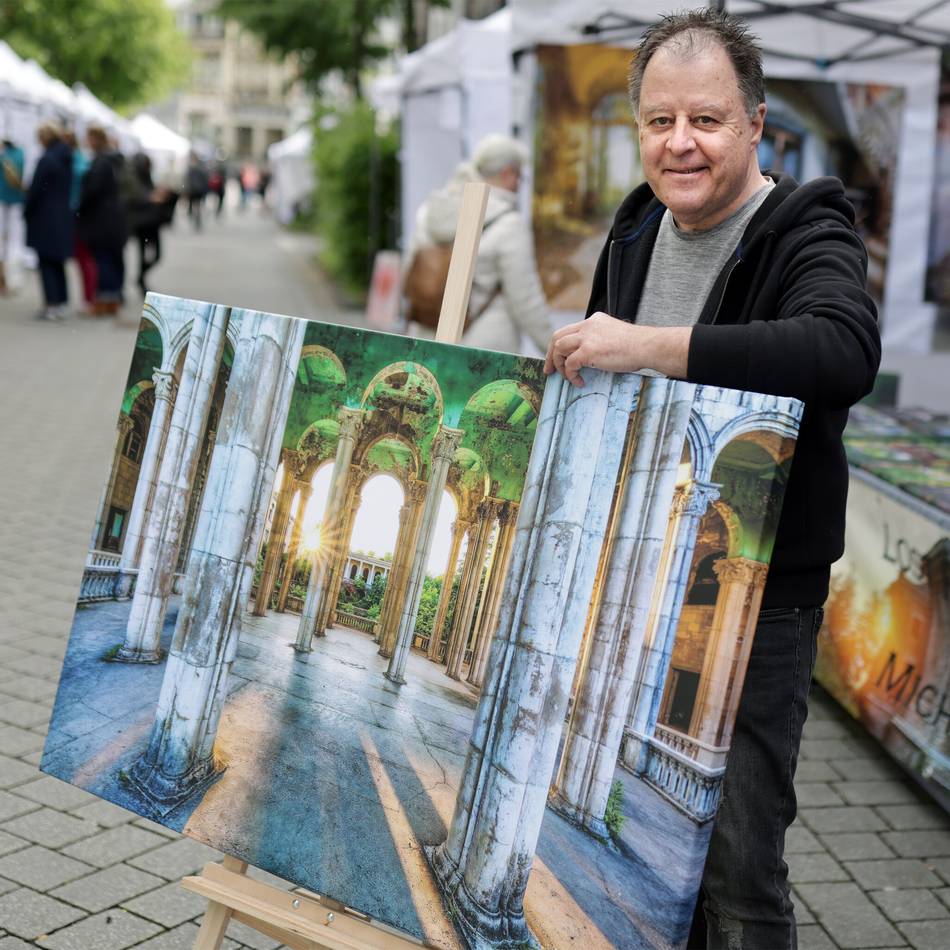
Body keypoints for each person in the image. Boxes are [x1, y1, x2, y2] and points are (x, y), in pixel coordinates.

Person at [544, 10, 880, 949]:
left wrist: (649, 347)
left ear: (757, 124)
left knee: (737, 875)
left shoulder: (807, 228)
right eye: (659, 121)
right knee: (635, 863)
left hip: (759, 601)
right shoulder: (636, 227)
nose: (679, 142)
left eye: (706, 120)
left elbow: (842, 349)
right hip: (630, 575)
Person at [404, 134, 551, 355]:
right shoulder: (508, 224)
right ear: (507, 173)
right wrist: (554, 349)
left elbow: (410, 269)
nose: (519, 185)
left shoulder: (431, 211)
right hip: (483, 351)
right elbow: (525, 299)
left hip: (427, 338)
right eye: (520, 177)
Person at [23, 123, 73, 320]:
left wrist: (27, 210)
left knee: (46, 263)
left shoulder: (47, 160)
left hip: (45, 217)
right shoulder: (65, 157)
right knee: (57, 262)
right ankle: (60, 302)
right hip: (61, 215)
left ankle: (51, 304)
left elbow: (35, 191)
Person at [77, 125, 128, 315]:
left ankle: (105, 301)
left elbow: (92, 191)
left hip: (102, 219)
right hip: (114, 217)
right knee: (112, 259)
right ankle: (113, 298)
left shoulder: (102, 162)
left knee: (103, 259)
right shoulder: (115, 160)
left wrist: (80, 207)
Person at [62, 129, 97, 312]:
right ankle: (89, 297)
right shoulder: (80, 160)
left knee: (84, 258)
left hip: (77, 215)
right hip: (78, 214)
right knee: (84, 259)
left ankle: (89, 298)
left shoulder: (76, 162)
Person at [125, 152, 169, 295]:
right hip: (141, 223)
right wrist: (150, 198)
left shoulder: (147, 176)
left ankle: (140, 278)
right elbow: (132, 196)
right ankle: (141, 281)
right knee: (142, 255)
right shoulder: (132, 177)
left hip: (152, 222)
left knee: (157, 256)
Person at [0, 138, 26, 294]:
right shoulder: (20, 154)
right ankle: (8, 280)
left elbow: (13, 178)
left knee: (9, 243)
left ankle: (7, 280)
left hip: (9, 201)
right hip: (12, 201)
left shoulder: (8, 155)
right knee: (12, 242)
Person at [185, 153, 209, 230]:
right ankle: (195, 218)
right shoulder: (200, 168)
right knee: (195, 206)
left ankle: (195, 218)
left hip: (194, 190)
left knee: (195, 206)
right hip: (197, 190)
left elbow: (187, 180)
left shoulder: (192, 168)